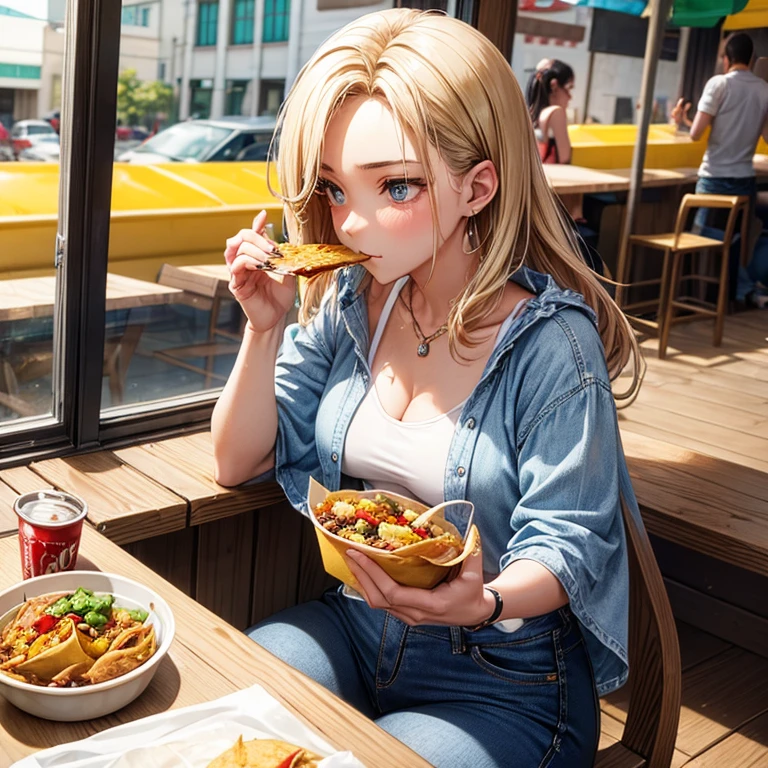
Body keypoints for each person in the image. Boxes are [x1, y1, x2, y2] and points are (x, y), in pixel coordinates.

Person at [212, 9, 645, 767]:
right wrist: (264, 326)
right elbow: (235, 460)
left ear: (479, 185)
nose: (354, 224)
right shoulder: (353, 306)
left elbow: (571, 541)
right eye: (337, 191)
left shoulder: (553, 345)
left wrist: (484, 601)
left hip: (503, 674)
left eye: (397, 187)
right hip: (354, 626)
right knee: (228, 710)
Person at [671, 32, 768, 308]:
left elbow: (696, 134)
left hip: (714, 179)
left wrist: (682, 120)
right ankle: (737, 296)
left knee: (700, 238)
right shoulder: (763, 89)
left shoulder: (718, 84)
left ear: (726, 59)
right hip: (744, 180)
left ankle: (692, 301)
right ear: (751, 58)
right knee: (734, 243)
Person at [525, 58, 575, 165]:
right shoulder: (556, 113)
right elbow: (565, 159)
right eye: (569, 88)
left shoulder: (529, 115)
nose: (570, 97)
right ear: (554, 86)